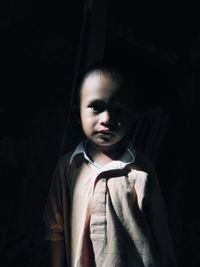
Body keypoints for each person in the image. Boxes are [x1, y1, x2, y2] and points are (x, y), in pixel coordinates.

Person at [43, 63, 177, 267]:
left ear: (132, 119)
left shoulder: (141, 169)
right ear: (78, 114)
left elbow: (160, 230)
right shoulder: (68, 167)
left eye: (118, 109)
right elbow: (55, 230)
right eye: (96, 107)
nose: (106, 119)